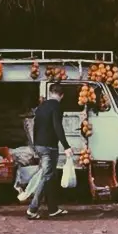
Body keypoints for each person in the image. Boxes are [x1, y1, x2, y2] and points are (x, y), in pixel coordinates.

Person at [28, 83, 72, 219]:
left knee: (51, 177)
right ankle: (32, 209)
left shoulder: (41, 107)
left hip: (40, 145)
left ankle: (53, 209)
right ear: (62, 95)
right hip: (49, 147)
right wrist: (66, 146)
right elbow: (57, 126)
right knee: (47, 177)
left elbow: (34, 126)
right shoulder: (57, 107)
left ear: (50, 92)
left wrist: (35, 145)